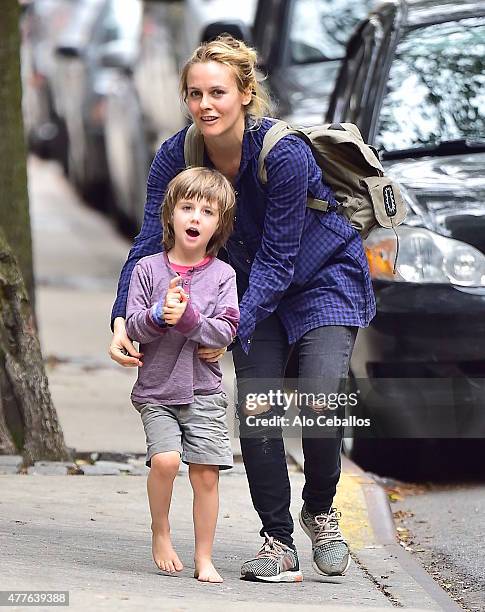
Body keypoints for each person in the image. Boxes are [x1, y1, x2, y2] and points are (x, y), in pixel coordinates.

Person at [110, 35, 376, 583]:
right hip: (245, 288)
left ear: (245, 94)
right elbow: (147, 243)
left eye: (218, 92)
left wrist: (228, 329)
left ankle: (321, 510)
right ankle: (277, 541)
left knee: (321, 397)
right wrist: (121, 316)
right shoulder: (175, 155)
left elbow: (280, 259)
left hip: (321, 279)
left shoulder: (284, 154)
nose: (205, 105)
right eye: (194, 94)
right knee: (260, 415)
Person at [125, 167, 239, 583]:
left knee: (206, 475)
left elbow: (226, 328)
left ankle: (204, 557)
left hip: (204, 391)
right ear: (170, 215)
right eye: (187, 208)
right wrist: (158, 315)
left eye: (206, 211)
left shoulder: (223, 276)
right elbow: (134, 325)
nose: (195, 218)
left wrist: (189, 318)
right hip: (156, 390)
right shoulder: (148, 270)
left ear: (219, 224)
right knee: (167, 460)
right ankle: (161, 529)